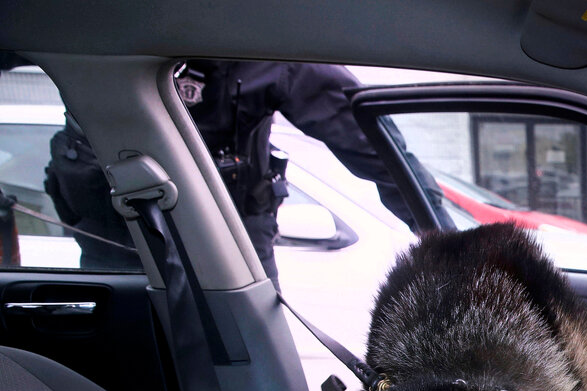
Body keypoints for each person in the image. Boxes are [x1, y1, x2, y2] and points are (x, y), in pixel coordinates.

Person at [44, 60, 451, 280]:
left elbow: (379, 153)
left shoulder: (267, 52)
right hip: (117, 237)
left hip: (230, 239)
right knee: (129, 352)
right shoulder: (99, 41)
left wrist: (450, 247)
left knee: (249, 355)